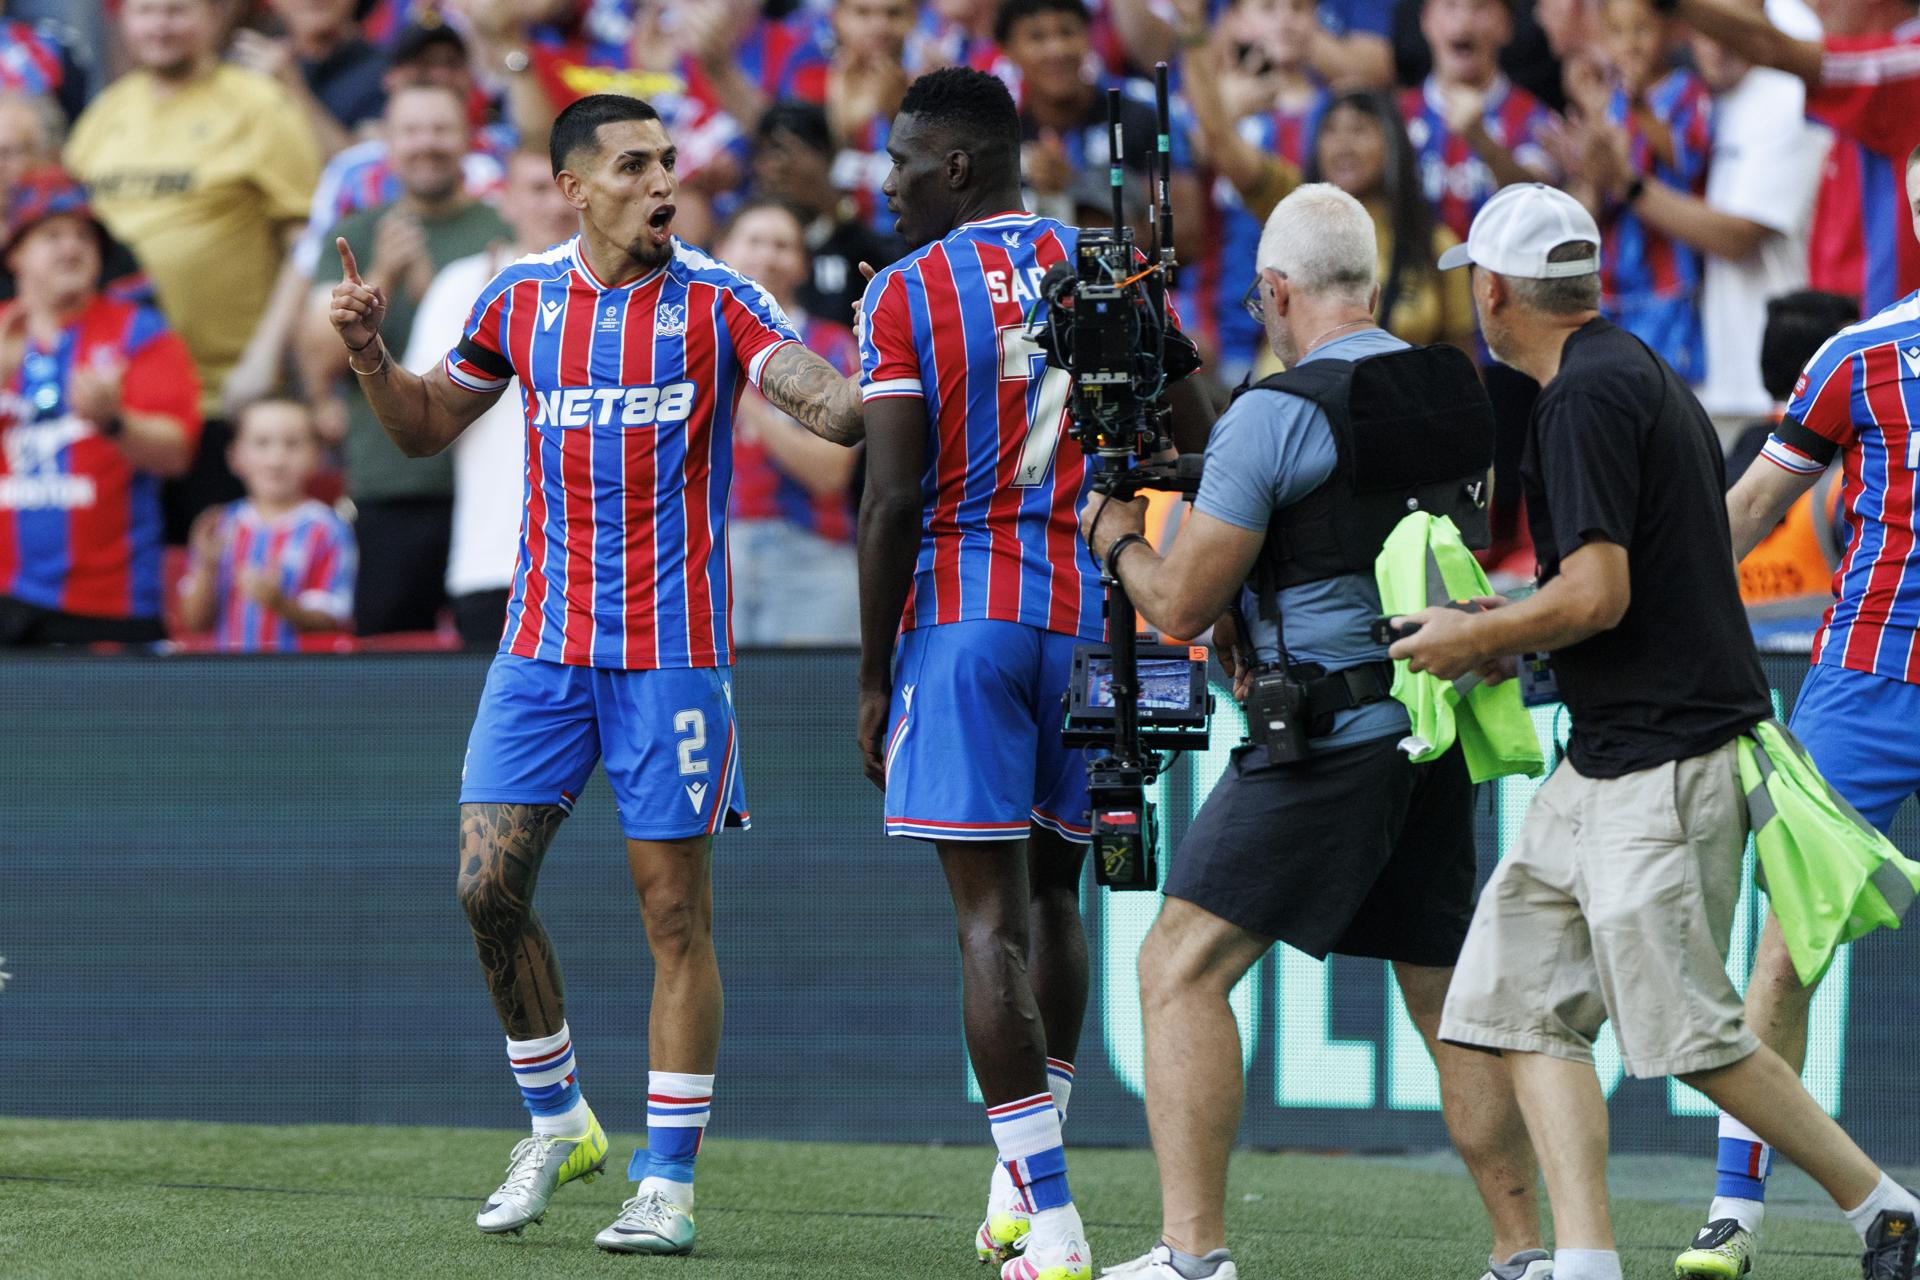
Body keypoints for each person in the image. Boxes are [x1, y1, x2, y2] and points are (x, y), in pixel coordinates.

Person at [327, 90, 861, 1255]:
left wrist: (882, 374)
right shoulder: (518, 300)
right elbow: (421, 425)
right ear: (573, 188)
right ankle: (561, 1119)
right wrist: (370, 353)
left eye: (668, 160)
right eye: (633, 165)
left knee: (673, 914)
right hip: (539, 647)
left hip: (672, 654)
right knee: (484, 887)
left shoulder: (720, 298)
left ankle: (666, 1180)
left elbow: (826, 404)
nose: (663, 181)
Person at [1389, 181, 1920, 1280]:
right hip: (1613, 755)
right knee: (1513, 1006)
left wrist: (1476, 634)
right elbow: (1633, 578)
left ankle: (1883, 1209)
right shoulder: (1626, 370)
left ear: (1496, 292)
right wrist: (1508, 620)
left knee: (1692, 1035)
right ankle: (1586, 1260)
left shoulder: (1583, 398)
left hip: (1663, 761)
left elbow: (1598, 594)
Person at [1077, 184, 1545, 1280]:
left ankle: (1191, 1255)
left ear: (1276, 291)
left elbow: (1180, 601)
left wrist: (1113, 535)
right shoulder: (1448, 384)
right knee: (1445, 995)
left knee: (1178, 966)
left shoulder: (1274, 412)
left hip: (1326, 732)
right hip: (1430, 722)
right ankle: (1525, 1253)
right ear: (1370, 286)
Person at [855, 65, 1211, 1280]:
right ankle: (1021, 1186)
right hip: (1097, 615)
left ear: (957, 166)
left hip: (967, 621)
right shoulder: (1110, 265)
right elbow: (1203, 436)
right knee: (1058, 901)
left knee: (985, 921)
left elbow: (889, 497)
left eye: (903, 160)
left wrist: (871, 673)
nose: (888, 181)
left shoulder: (905, 290)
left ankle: (1053, 1223)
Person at [1671, 152, 1920, 1280]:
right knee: (1786, 950)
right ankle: (1736, 1212)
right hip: (1865, 681)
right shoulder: (1858, 357)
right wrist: (1643, 607)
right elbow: (1744, 512)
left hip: (1862, 678)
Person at [64, 0, 320, 544]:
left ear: (213, 18)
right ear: (124, 22)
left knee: (219, 573)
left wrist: (265, 354)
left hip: (223, 397)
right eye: (146, 12)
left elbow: (309, 238)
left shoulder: (258, 104)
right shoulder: (105, 114)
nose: (160, 25)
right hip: (120, 403)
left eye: (176, 10)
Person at [299, 82, 510, 636]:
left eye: (440, 129)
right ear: (388, 144)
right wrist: (383, 275)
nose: (426, 144)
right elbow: (315, 361)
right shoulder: (355, 233)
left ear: (469, 139)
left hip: (495, 492)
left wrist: (434, 291)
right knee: (391, 659)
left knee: (495, 657)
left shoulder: (503, 229)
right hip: (389, 480)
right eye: (411, 131)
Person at [1553, 0, 1827, 424]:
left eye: (1726, 27)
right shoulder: (1714, 93)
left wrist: (1626, 182)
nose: (1715, 43)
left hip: (1771, 389)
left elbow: (1738, 237)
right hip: (1712, 373)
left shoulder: (1781, 94)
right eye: (1704, 26)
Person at [0, 168, 200, 647]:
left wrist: (114, 423)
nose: (71, 249)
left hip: (110, 604)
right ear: (16, 254)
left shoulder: (140, 332)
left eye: (84, 237)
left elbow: (176, 454)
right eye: (52, 236)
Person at [399, 146, 579, 652]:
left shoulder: (627, 289)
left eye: (568, 190)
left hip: (604, 567)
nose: (556, 205)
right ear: (506, 200)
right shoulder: (465, 284)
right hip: (495, 559)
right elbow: (419, 414)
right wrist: (483, 332)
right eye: (538, 189)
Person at [1665, 0, 1920, 315]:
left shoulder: (1909, 64)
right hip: (1850, 325)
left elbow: (1770, 45)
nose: (1819, 5)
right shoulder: (1871, 74)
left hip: (1891, 332)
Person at [719, 199, 861, 646]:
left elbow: (830, 473)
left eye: (782, 246)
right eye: (754, 241)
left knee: (815, 693)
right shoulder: (680, 342)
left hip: (813, 553)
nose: (767, 255)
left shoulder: (832, 344)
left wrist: (745, 394)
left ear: (802, 266)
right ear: (722, 252)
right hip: (709, 555)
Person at [1558, 0, 1713, 384]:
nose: (1630, 43)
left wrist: (1639, 105)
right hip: (1610, 287)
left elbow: (1688, 161)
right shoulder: (1605, 101)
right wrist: (1591, 128)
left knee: (1665, 388)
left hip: (1667, 286)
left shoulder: (1687, 91)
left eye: (1642, 29)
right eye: (1617, 31)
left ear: (1671, 30)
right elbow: (1596, 191)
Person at [997, 0, 1204, 264]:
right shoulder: (1001, 142)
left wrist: (1074, 187)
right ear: (1007, 50)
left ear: (1088, 37)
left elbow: (1186, 236)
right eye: (1037, 37)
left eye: (1067, 32)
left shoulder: (1139, 117)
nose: (1056, 49)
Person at [177, 399, 356, 653]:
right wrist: (206, 567)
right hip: (227, 673)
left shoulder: (328, 530)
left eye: (292, 444)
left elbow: (332, 622)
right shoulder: (219, 525)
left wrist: (279, 603)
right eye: (261, 443)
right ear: (235, 456)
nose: (276, 459)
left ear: (317, 456)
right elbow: (193, 623)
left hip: (301, 674)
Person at [1723, 288, 1855, 608]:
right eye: (1857, 356)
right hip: (1821, 635)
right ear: (1816, 371)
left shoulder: (1717, 468)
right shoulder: (1850, 473)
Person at [1399, 0, 1555, 244]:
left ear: (1506, 26)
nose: (1464, 21)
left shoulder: (1535, 119)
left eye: (1480, 7)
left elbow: (1537, 207)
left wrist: (1480, 139)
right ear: (1426, 21)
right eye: (1450, 5)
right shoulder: (1397, 115)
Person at [750, 100, 907, 321]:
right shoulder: (743, 229)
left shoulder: (855, 239)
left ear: (828, 157)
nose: (776, 165)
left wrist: (828, 201)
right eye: (766, 152)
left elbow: (892, 269)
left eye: (789, 152)